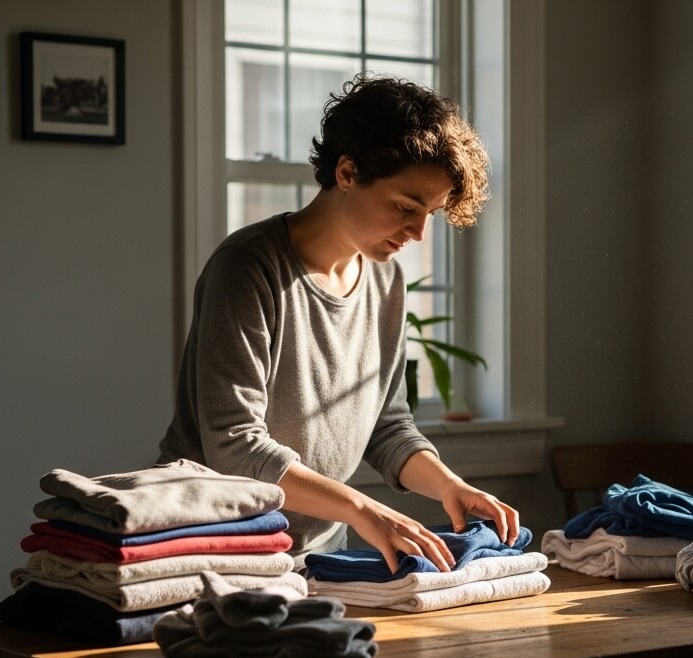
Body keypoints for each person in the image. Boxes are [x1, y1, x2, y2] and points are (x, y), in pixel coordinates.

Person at [156, 72, 519, 575]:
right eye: (405, 207)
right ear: (347, 171)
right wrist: (361, 508)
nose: (417, 231)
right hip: (210, 549)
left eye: (430, 213)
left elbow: (387, 429)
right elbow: (234, 444)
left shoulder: (386, 283)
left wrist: (448, 486)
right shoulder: (246, 267)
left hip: (316, 562)